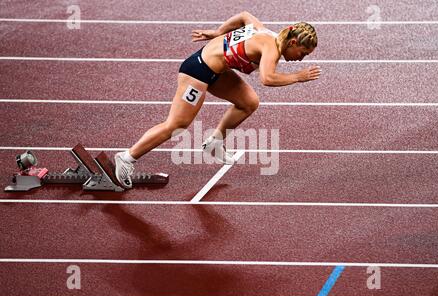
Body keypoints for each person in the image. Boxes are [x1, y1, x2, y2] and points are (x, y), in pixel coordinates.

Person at [114, 11, 321, 189]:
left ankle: (215, 142)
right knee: (177, 124)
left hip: (218, 72)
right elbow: (267, 78)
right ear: (293, 42)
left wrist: (217, 32)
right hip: (198, 70)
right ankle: (126, 158)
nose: (300, 59)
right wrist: (297, 77)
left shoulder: (266, 33)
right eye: (302, 53)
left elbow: (244, 16)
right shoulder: (271, 47)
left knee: (249, 102)